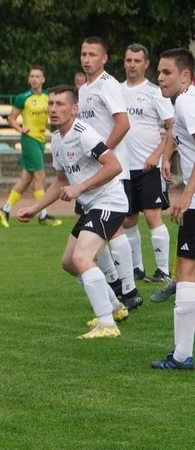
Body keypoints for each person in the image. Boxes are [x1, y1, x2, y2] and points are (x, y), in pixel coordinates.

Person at [14, 85, 130, 339]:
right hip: (92, 206)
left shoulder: (84, 133)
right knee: (69, 263)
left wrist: (81, 188)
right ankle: (115, 307)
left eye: (60, 104)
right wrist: (35, 208)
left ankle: (107, 324)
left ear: (74, 109)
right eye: (51, 104)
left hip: (110, 202)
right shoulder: (56, 139)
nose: (53, 109)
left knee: (81, 258)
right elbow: (60, 181)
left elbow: (114, 166)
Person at [77, 37, 141, 310]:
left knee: (110, 227)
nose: (86, 59)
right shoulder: (83, 89)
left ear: (104, 58)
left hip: (111, 169)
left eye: (92, 54)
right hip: (92, 172)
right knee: (92, 226)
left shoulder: (108, 84)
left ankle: (128, 288)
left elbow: (123, 123)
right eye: (83, 53)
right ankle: (118, 283)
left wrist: (104, 153)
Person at [151, 48, 195, 368]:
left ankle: (181, 355)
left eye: (166, 72)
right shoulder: (183, 101)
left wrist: (185, 196)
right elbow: (176, 133)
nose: (159, 77)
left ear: (185, 76)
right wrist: (167, 154)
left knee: (186, 273)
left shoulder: (186, 101)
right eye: (159, 72)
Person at [118, 44, 175, 290]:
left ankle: (163, 270)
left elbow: (173, 126)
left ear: (146, 64)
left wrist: (159, 155)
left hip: (148, 167)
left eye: (137, 60)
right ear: (123, 63)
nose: (132, 64)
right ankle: (136, 267)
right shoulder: (116, 91)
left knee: (153, 216)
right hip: (122, 168)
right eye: (129, 60)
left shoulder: (155, 92)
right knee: (129, 220)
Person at [0, 67, 64, 227]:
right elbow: (11, 118)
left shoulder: (48, 97)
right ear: (29, 80)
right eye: (32, 76)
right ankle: (43, 215)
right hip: (29, 139)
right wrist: (21, 129)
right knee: (40, 176)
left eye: (37, 76)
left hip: (40, 139)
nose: (34, 79)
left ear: (43, 80)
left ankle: (5, 209)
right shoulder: (23, 97)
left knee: (26, 179)